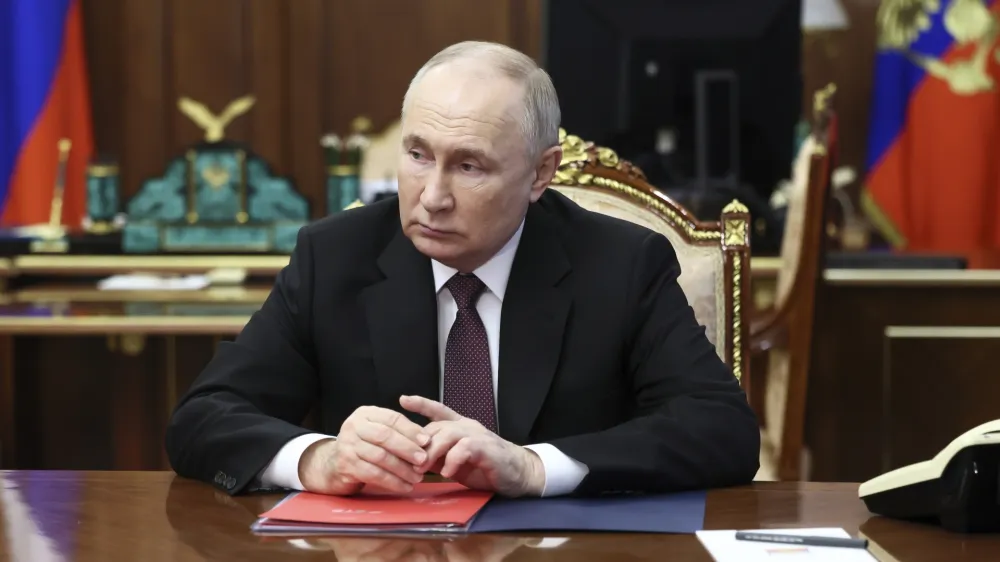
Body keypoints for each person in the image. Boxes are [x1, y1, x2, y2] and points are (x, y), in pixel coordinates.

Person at [165, 41, 759, 498]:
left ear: (541, 173)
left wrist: (532, 467)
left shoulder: (621, 264)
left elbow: (722, 429)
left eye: (469, 166)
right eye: (417, 155)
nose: (432, 197)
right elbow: (203, 417)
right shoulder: (336, 256)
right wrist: (318, 458)